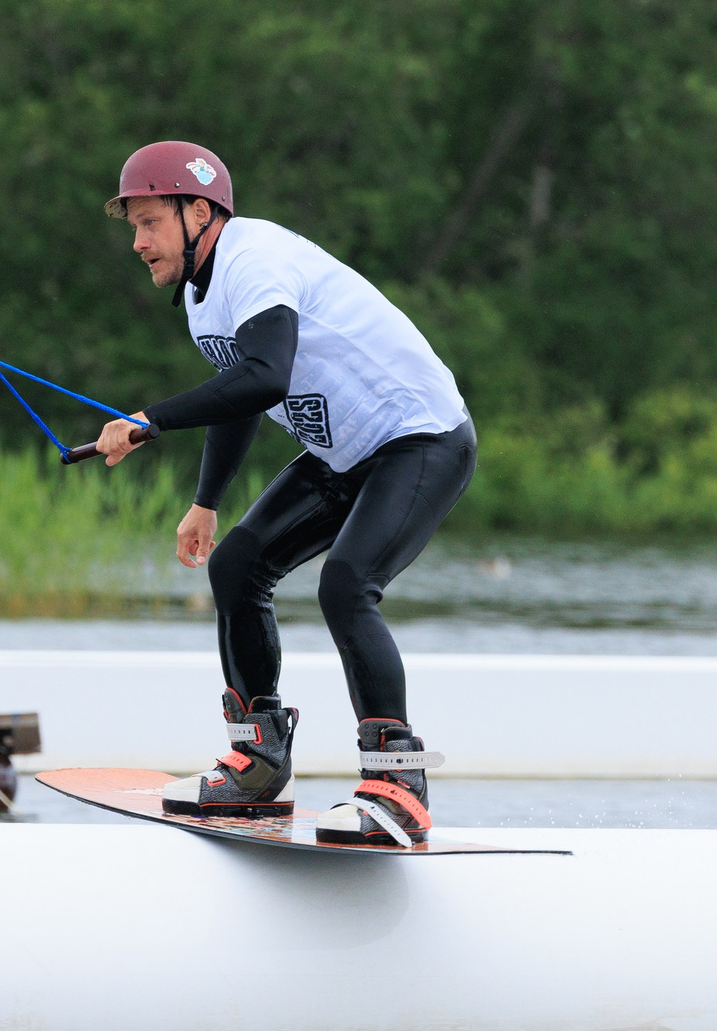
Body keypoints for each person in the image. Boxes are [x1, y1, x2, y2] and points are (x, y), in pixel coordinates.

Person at [90, 141, 475, 846]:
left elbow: (267, 375)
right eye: (133, 228)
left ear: (198, 212)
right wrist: (206, 501)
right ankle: (259, 763)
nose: (139, 243)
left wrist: (149, 421)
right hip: (345, 453)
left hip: (420, 437)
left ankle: (399, 785)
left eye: (149, 224)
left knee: (346, 584)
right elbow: (238, 398)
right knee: (236, 565)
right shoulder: (203, 297)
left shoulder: (253, 259)